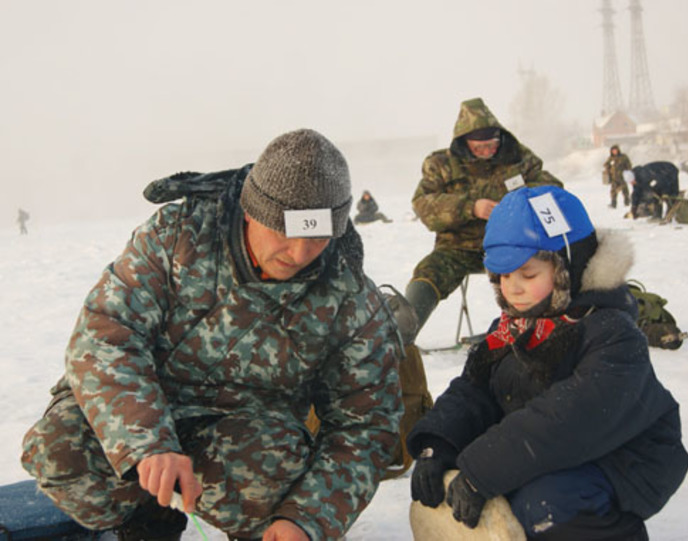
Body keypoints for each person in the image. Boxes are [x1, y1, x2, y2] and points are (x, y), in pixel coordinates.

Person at [21, 129, 404, 541]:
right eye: (286, 233)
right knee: (58, 449)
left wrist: (307, 518)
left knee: (274, 477)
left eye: (317, 237)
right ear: (253, 211)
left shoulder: (351, 298)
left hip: (246, 435)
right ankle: (148, 519)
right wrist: (147, 443)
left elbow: (365, 425)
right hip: (147, 407)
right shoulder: (177, 235)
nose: (299, 254)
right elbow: (106, 332)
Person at [406, 185, 688, 540]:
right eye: (504, 277)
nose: (513, 288)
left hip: (626, 456)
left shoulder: (611, 332)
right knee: (481, 490)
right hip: (549, 448)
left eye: (528, 274)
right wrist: (438, 444)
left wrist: (481, 471)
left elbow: (569, 419)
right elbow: (473, 389)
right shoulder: (511, 328)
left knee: (543, 504)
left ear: (567, 269)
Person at [391, 97, 562, 346]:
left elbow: (553, 189)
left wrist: (515, 201)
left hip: (511, 244)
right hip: (457, 248)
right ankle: (400, 336)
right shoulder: (440, 165)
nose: (487, 151)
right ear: (464, 142)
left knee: (535, 272)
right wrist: (471, 207)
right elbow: (424, 204)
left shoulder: (519, 158)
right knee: (428, 272)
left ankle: (522, 329)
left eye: (492, 144)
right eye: (479, 147)